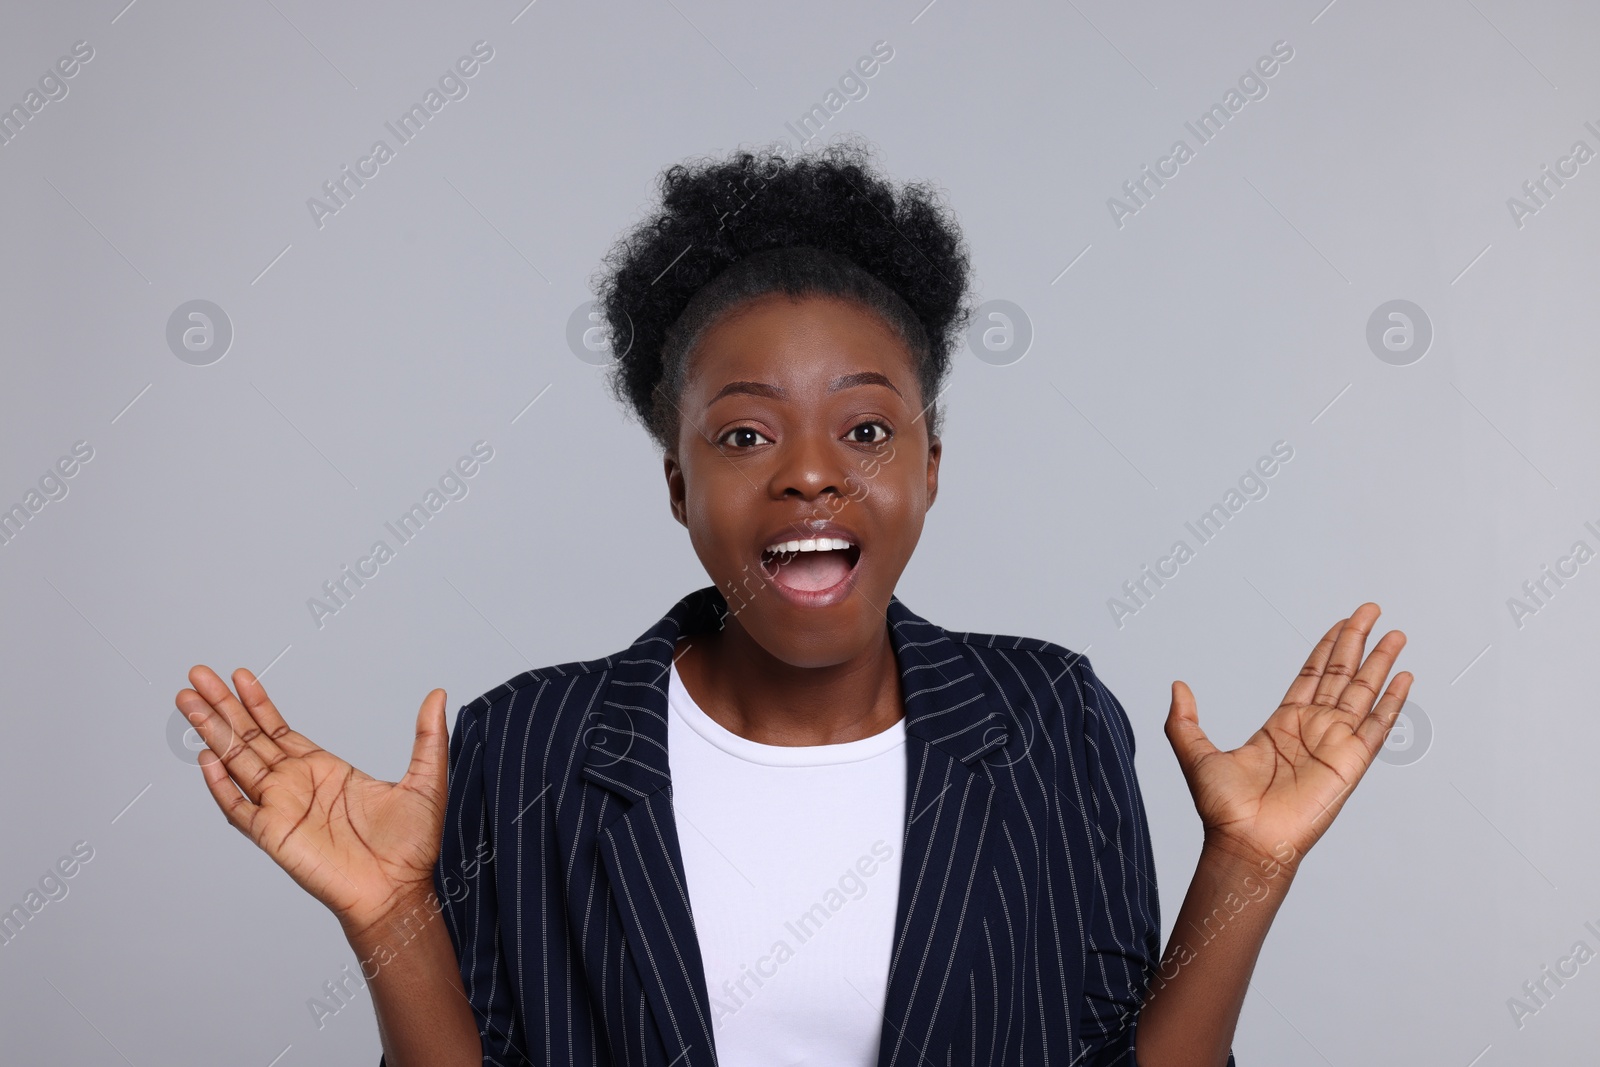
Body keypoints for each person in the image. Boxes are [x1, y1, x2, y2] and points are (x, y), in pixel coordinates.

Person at [175, 139, 1413, 1067]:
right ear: (678, 482)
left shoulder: (1049, 717)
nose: (810, 469)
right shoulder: (527, 746)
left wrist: (1246, 865)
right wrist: (391, 915)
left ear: (931, 467)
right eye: (745, 432)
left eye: (866, 427)